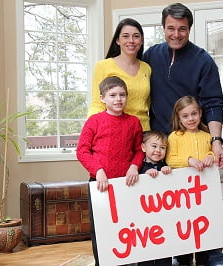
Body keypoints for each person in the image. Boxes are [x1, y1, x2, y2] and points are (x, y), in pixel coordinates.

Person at [143, 2, 223, 169]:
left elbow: (213, 104)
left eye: (182, 29)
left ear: (189, 29)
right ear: (163, 28)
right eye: (171, 28)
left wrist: (216, 142)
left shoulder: (203, 61)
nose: (176, 34)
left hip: (193, 148)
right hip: (158, 146)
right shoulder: (151, 55)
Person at [76, 76, 144, 266]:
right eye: (112, 95)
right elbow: (82, 151)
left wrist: (134, 166)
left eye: (122, 95)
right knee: (101, 227)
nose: (118, 99)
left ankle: (128, 260)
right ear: (102, 98)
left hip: (127, 185)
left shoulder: (133, 122)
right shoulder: (94, 121)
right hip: (100, 185)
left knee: (127, 225)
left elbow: (139, 150)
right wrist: (97, 170)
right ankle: (103, 262)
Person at [166, 96, 223, 266]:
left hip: (205, 194)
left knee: (206, 226)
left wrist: (210, 156)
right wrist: (190, 160)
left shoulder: (207, 136)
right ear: (178, 118)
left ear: (200, 113)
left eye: (194, 114)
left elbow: (213, 153)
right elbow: (171, 159)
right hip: (183, 195)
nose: (190, 119)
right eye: (185, 116)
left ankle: (207, 260)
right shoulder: (174, 137)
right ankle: (182, 259)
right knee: (185, 227)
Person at [89, 18, 151, 131]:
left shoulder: (146, 68)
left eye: (136, 36)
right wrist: (91, 131)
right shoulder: (103, 66)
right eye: (125, 36)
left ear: (141, 41)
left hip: (143, 132)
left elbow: (148, 103)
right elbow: (97, 104)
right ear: (117, 40)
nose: (131, 40)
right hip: (113, 130)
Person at [137, 130, 172, 266]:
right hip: (144, 217)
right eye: (154, 146)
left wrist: (168, 171)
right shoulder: (139, 167)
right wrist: (144, 175)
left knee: (164, 248)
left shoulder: (164, 166)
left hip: (162, 216)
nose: (158, 150)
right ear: (144, 147)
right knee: (145, 248)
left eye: (162, 148)